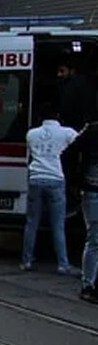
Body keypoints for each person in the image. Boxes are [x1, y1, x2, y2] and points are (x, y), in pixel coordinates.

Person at [21, 101, 78, 274]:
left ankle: (27, 261)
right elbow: (80, 141)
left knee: (32, 223)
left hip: (36, 178)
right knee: (58, 224)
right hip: (55, 179)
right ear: (58, 116)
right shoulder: (66, 133)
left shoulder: (32, 134)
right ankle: (63, 264)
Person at [69, 120, 98, 301]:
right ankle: (88, 284)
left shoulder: (91, 130)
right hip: (93, 191)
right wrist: (76, 180)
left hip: (91, 190)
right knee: (95, 238)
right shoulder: (92, 131)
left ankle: (90, 283)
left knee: (95, 239)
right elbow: (69, 154)